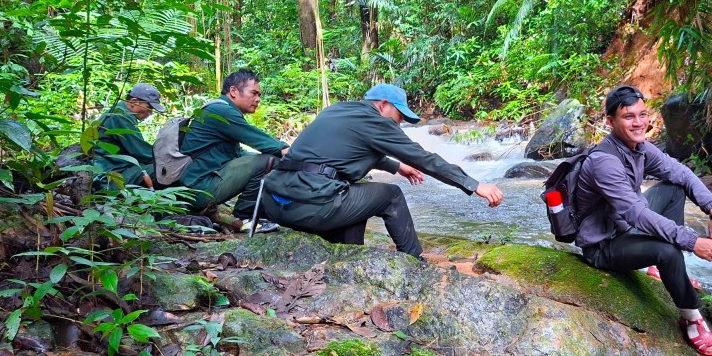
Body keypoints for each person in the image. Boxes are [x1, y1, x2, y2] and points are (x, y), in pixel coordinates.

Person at [260, 84, 504, 258]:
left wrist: (398, 166)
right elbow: (424, 158)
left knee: (356, 192)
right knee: (390, 195)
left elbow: (345, 153)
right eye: (398, 116)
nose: (397, 124)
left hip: (276, 203)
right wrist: (473, 185)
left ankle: (351, 256)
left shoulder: (337, 110)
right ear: (383, 105)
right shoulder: (376, 121)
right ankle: (415, 261)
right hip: (311, 207)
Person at [573, 85, 712, 356]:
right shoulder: (604, 162)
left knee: (674, 187)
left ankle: (661, 270)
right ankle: (691, 318)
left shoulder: (640, 148)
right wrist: (693, 242)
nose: (639, 123)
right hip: (604, 245)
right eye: (629, 117)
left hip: (626, 226)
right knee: (667, 250)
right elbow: (637, 214)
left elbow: (681, 173)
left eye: (643, 115)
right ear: (610, 122)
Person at [179, 69, 288, 230]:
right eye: (254, 93)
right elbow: (260, 140)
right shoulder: (221, 111)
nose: (258, 99)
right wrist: (289, 152)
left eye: (259, 96)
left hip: (196, 185)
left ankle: (252, 213)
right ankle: (246, 216)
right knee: (270, 161)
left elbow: (237, 154)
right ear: (233, 91)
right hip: (199, 188)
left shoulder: (218, 108)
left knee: (264, 160)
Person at [94, 83, 165, 189]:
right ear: (133, 102)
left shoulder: (120, 113)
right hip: (110, 176)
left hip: (117, 169)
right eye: (149, 108)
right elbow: (142, 153)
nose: (150, 113)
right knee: (165, 169)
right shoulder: (119, 117)